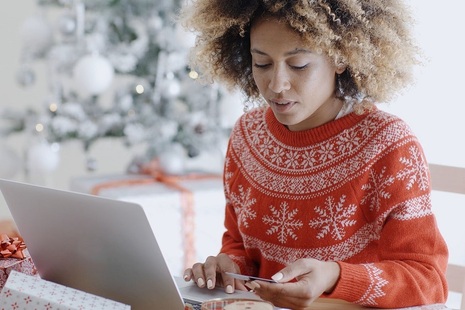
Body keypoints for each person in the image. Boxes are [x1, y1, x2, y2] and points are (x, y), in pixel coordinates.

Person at [179, 0, 449, 308]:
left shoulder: (388, 145)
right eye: (262, 63)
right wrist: (230, 267)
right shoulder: (247, 135)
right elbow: (241, 246)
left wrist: (335, 276)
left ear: (340, 58)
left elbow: (429, 281)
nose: (277, 84)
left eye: (298, 65)